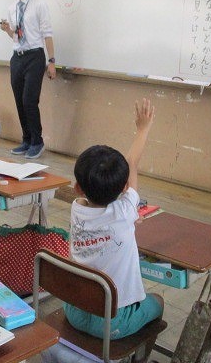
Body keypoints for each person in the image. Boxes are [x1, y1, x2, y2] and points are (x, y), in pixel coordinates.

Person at [66, 98, 164, 340]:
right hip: (112, 322)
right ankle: (136, 353)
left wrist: (128, 220)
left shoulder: (77, 208)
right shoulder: (125, 211)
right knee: (157, 301)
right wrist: (143, 128)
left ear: (78, 189)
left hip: (75, 310)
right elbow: (132, 163)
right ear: (124, 189)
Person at [0, 0, 56, 159]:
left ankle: (37, 142)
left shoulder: (39, 5)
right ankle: (27, 140)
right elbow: (17, 36)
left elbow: (47, 34)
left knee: (29, 100)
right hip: (17, 57)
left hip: (35, 56)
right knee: (19, 99)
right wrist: (8, 30)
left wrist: (51, 61)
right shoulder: (12, 8)